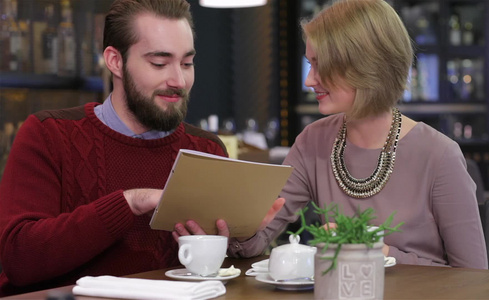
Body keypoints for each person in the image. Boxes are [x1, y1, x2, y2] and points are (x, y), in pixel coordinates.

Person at [0, 0, 281, 296]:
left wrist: (240, 235)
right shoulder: (49, 134)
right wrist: (130, 202)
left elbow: (222, 277)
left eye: (187, 63)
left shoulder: (206, 148)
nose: (179, 80)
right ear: (115, 61)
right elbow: (20, 259)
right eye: (159, 63)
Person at [221, 0, 488, 268]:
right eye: (309, 64)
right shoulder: (313, 141)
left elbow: (475, 278)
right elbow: (249, 246)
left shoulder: (440, 155)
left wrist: (381, 252)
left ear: (364, 65)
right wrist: (243, 228)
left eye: (320, 65)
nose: (309, 80)